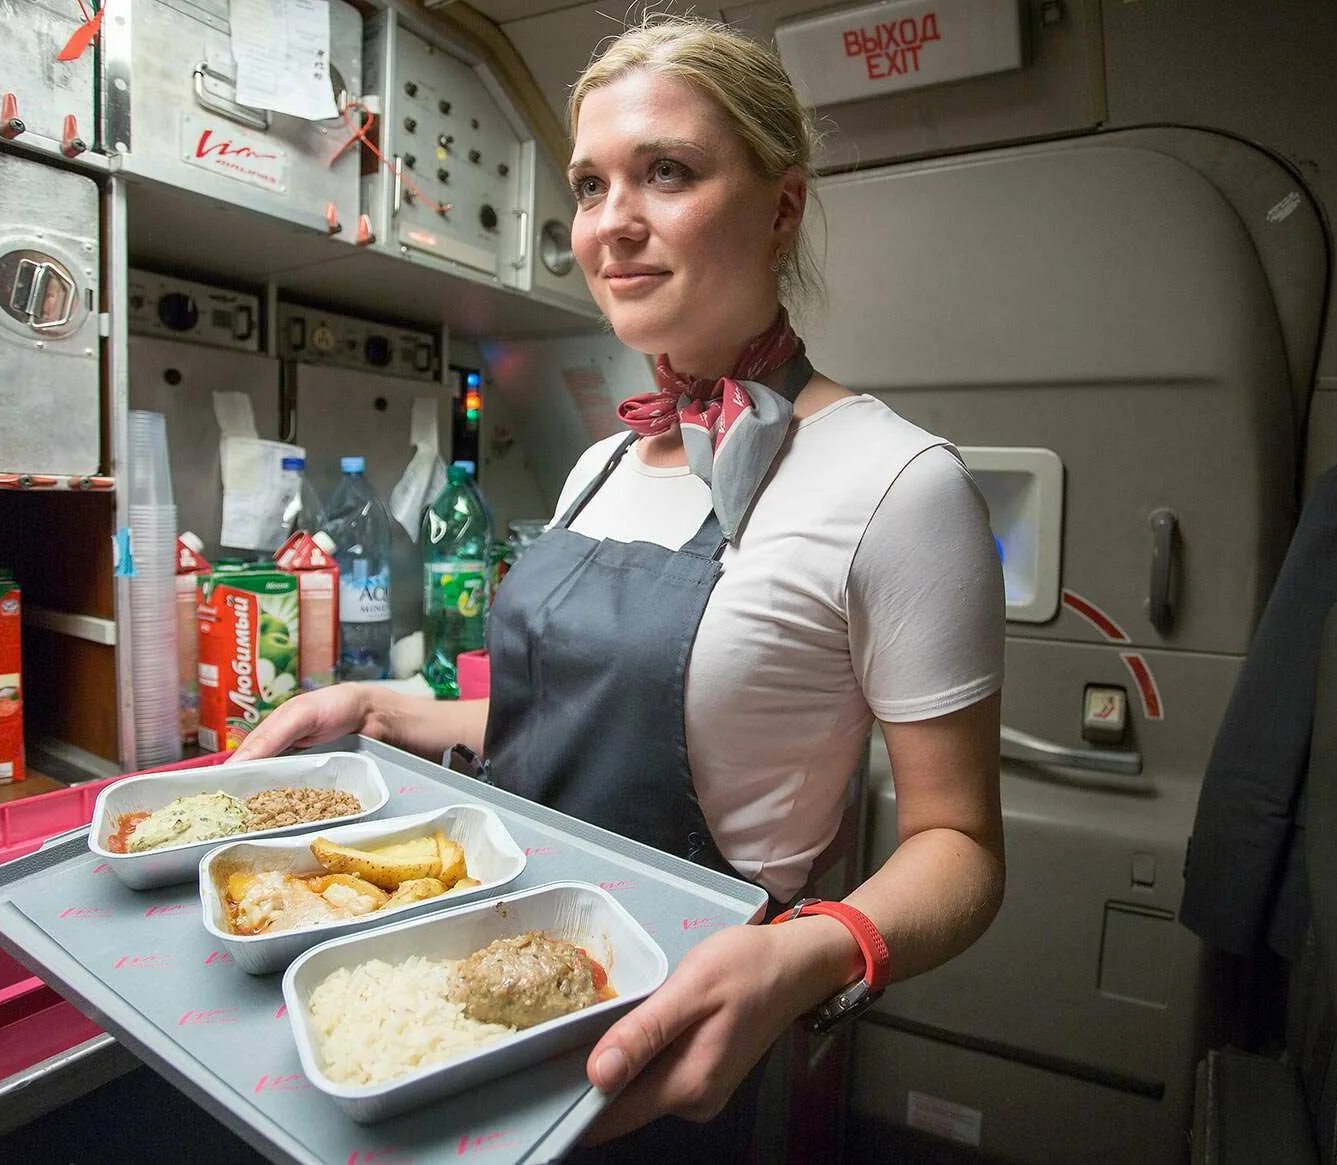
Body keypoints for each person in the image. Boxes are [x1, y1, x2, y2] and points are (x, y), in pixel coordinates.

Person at [237, 15, 1006, 1159]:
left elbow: (962, 846)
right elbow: (572, 719)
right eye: (591, 186)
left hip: (676, 1021)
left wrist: (808, 952)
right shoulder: (601, 461)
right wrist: (385, 713)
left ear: (781, 205)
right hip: (474, 965)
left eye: (668, 173)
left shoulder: (897, 483)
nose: (613, 225)